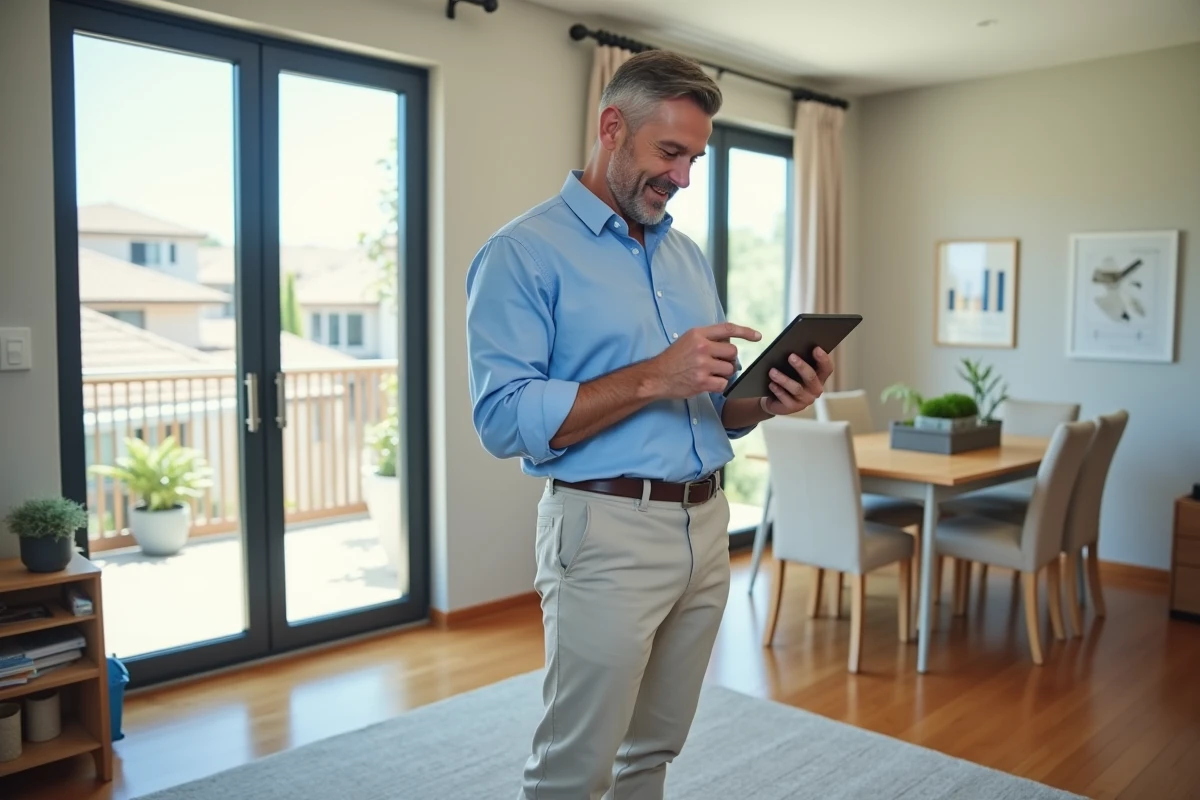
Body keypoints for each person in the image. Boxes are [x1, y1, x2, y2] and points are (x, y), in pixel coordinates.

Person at [465, 49, 834, 800]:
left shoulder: (686, 256)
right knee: (575, 767)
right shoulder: (522, 253)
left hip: (705, 526)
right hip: (604, 532)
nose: (684, 178)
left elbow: (710, 408)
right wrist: (654, 376)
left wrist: (768, 399)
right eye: (670, 152)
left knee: (654, 749)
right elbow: (502, 419)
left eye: (695, 159)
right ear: (612, 128)